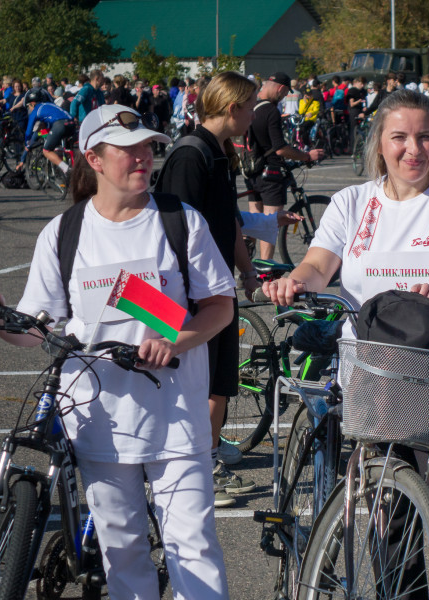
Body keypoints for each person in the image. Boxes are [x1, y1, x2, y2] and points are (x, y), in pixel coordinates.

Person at [0, 104, 233, 599]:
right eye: (128, 150)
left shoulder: (179, 220)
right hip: (98, 421)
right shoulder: (64, 232)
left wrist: (174, 339)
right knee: (122, 555)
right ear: (94, 159)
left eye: (147, 147)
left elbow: (219, 307)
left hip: (176, 417)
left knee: (193, 548)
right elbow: (36, 330)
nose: (143, 157)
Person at [263, 88, 429, 600]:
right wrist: (296, 281)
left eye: (425, 137)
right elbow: (318, 264)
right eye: (400, 137)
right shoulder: (353, 203)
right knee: (391, 525)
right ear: (380, 142)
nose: (413, 149)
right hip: (375, 383)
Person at [155, 72, 268, 507]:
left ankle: (209, 452)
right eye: (250, 106)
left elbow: (228, 223)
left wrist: (248, 273)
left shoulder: (220, 152)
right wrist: (184, 299)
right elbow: (174, 232)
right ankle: (204, 469)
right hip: (195, 294)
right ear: (231, 108)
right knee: (205, 383)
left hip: (216, 290)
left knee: (219, 380)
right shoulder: (190, 155)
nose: (254, 113)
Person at [246, 72, 325, 260]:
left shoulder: (252, 106)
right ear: (281, 89)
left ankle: (246, 268)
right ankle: (265, 270)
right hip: (271, 174)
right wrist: (306, 156)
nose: (283, 97)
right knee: (269, 225)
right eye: (284, 93)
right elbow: (280, 148)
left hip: (251, 171)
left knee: (252, 222)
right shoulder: (271, 111)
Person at [17, 89, 77, 179]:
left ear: (32, 103)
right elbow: (42, 130)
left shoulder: (36, 110)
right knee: (66, 148)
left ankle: (67, 170)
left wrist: (27, 144)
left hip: (60, 125)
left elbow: (28, 132)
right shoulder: (50, 105)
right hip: (72, 123)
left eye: (28, 106)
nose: (29, 109)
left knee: (46, 151)